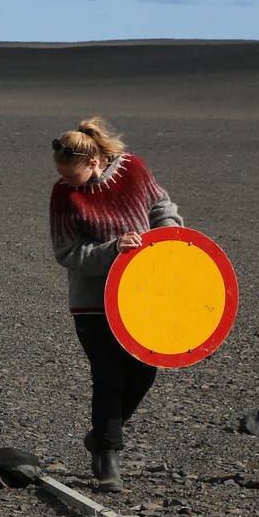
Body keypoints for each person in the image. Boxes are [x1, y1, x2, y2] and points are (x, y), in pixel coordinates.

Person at [49, 117, 182, 492]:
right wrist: (114, 250)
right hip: (93, 302)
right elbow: (67, 252)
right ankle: (108, 457)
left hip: (141, 298)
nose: (65, 182)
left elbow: (160, 206)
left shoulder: (133, 169)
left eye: (71, 175)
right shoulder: (63, 195)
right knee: (109, 375)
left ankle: (100, 435)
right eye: (61, 175)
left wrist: (165, 240)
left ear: (93, 162)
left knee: (143, 374)